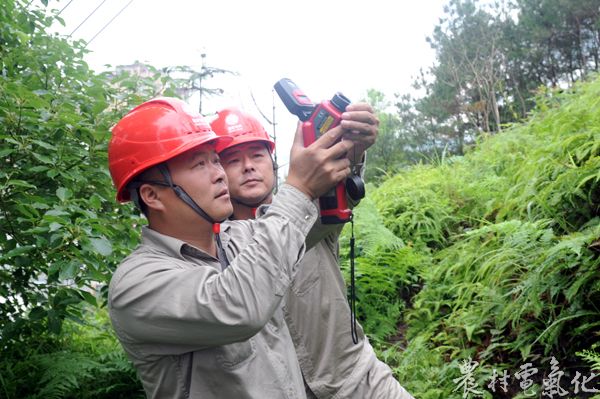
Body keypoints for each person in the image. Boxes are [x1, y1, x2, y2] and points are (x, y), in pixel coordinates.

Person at [106, 96, 356, 398]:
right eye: (200, 164)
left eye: (215, 159)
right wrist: (299, 187)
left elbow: (311, 218)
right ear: (152, 195)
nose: (220, 173)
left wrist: (347, 147)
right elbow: (238, 305)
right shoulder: (137, 285)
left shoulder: (238, 239)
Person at [211, 106, 414, 398]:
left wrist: (352, 150)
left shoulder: (307, 213)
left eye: (257, 155)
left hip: (361, 383)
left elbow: (334, 188)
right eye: (233, 160)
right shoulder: (213, 249)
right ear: (217, 173)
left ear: (273, 162)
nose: (248, 166)